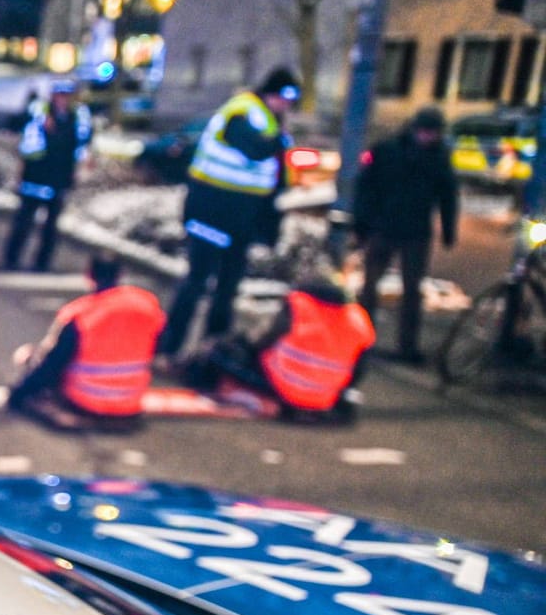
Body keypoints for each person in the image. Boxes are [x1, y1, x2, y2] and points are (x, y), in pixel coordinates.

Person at [157, 67, 300, 362]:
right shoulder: (245, 111)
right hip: (213, 209)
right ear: (271, 93)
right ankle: (170, 347)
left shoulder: (269, 118)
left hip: (238, 217)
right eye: (283, 97)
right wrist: (280, 141)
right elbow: (253, 149)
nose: (286, 104)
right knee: (199, 280)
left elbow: (272, 178)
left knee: (227, 288)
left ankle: (210, 353)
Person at [185, 270, 374, 418]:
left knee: (219, 351)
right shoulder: (358, 318)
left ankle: (201, 379)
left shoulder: (300, 305)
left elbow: (260, 341)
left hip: (283, 385)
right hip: (326, 396)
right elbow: (359, 369)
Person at [354, 106, 459, 364]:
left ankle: (406, 347)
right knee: (370, 287)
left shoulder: (437, 157)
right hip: (385, 227)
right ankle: (360, 339)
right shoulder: (389, 150)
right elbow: (367, 188)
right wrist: (362, 224)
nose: (427, 137)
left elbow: (448, 196)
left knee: (411, 290)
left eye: (432, 133)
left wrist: (448, 229)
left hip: (413, 231)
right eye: (425, 132)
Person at [8, 255, 165, 420]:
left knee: (29, 355)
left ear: (89, 276)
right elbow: (158, 346)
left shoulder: (83, 313)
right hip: (131, 400)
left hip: (86, 399)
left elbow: (53, 363)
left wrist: (18, 395)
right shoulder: (147, 306)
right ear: (119, 276)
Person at [2, 79, 93, 272]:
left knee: (51, 227)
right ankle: (11, 258)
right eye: (60, 95)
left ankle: (42, 263)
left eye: (67, 96)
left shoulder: (77, 118)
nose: (63, 100)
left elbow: (82, 145)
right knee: (24, 221)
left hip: (59, 179)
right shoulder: (38, 113)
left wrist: (78, 170)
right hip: (35, 177)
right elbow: (18, 128)